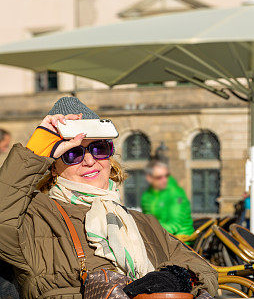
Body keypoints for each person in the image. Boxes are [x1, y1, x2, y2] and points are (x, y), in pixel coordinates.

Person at [0, 96, 217, 299]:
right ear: (53, 166)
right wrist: (36, 151)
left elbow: (201, 267)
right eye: (72, 153)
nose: (89, 161)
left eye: (99, 148)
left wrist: (176, 276)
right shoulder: (34, 214)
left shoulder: (142, 221)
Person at [141, 160, 195, 238]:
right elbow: (147, 220)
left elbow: (175, 225)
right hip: (161, 236)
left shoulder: (175, 194)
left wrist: (150, 233)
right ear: (149, 178)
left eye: (166, 176)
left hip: (181, 239)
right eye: (159, 177)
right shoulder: (147, 196)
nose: (164, 180)